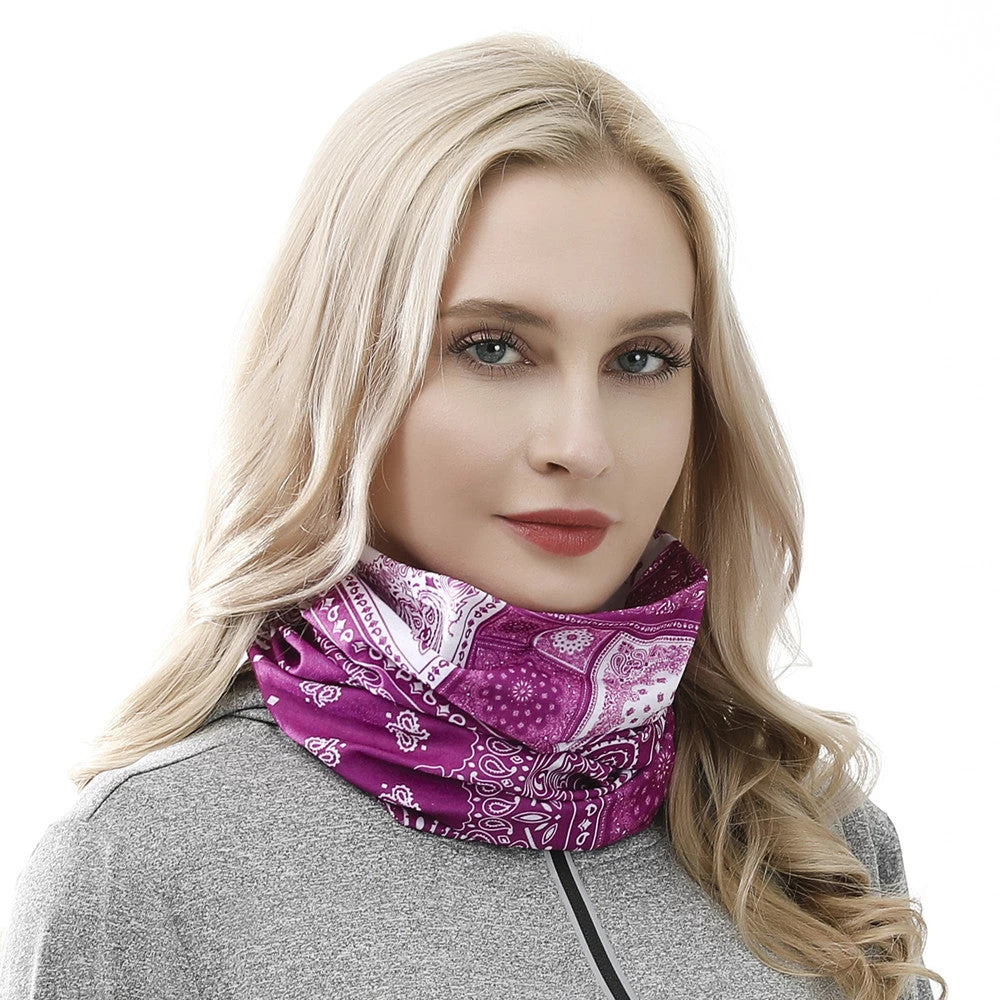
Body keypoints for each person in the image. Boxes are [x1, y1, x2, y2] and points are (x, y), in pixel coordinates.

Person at [0, 31, 944, 1000]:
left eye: (641, 359)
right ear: (344, 378)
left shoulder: (815, 847)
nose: (582, 444)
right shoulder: (151, 864)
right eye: (492, 348)